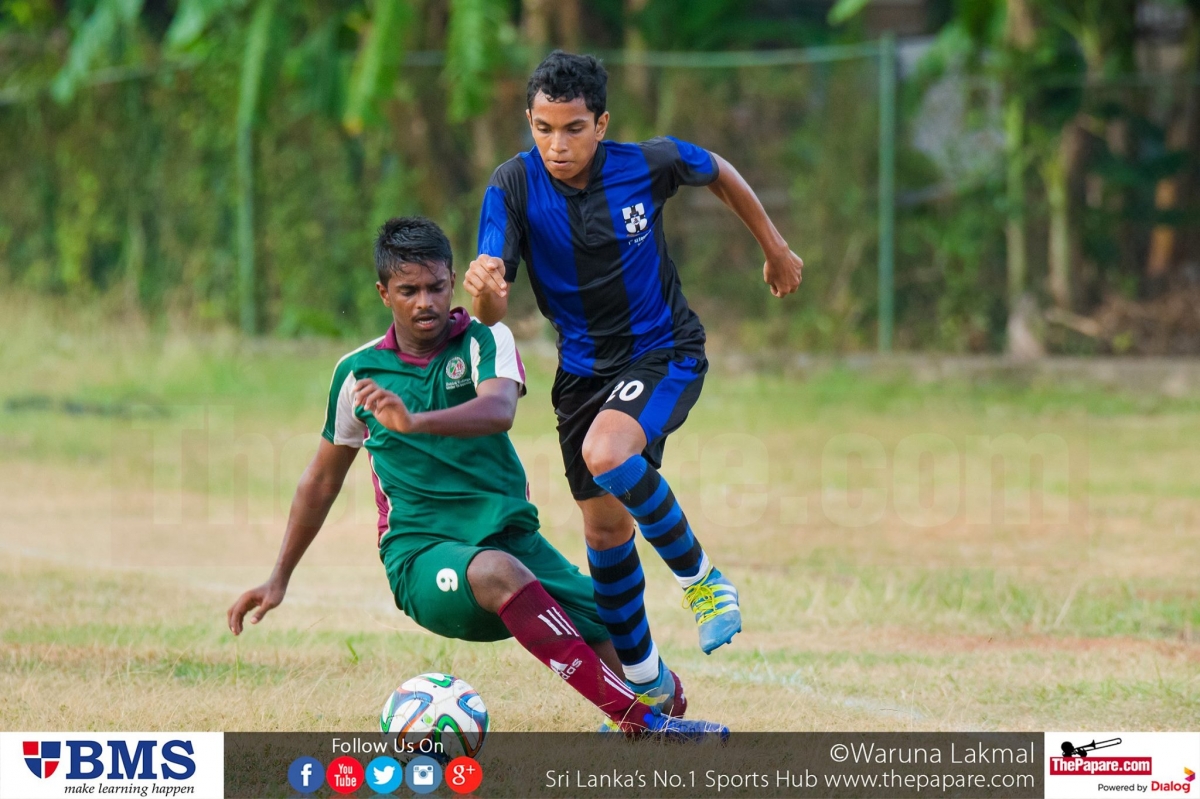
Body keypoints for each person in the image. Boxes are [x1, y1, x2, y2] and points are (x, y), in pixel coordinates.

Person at [227, 216, 726, 738]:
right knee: (497, 571)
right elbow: (321, 481)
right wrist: (278, 577)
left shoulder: (485, 340)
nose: (426, 302)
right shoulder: (357, 374)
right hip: (422, 556)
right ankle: (640, 723)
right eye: (409, 291)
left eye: (436, 287)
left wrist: (414, 421)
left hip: (514, 543)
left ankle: (655, 712)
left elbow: (498, 410)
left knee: (628, 641)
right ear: (383, 293)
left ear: (452, 281)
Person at [466, 51, 804, 708]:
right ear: (529, 122)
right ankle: (650, 686)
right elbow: (489, 310)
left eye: (573, 128)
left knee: (608, 452)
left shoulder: (646, 164)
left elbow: (717, 169)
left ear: (601, 124)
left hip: (663, 351)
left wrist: (774, 246)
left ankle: (703, 581)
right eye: (543, 128)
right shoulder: (511, 186)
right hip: (581, 376)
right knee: (604, 531)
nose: (557, 145)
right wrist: (484, 288)